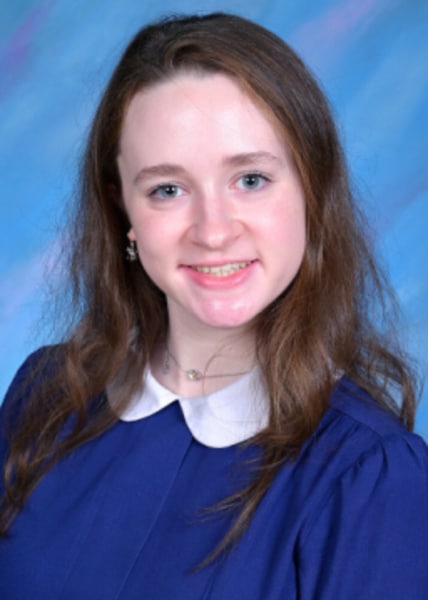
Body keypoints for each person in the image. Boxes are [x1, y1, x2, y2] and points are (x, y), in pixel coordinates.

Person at [0, 12, 427, 599]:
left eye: (250, 179)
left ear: (311, 187)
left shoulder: (368, 476)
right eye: (168, 189)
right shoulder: (45, 397)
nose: (214, 231)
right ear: (123, 212)